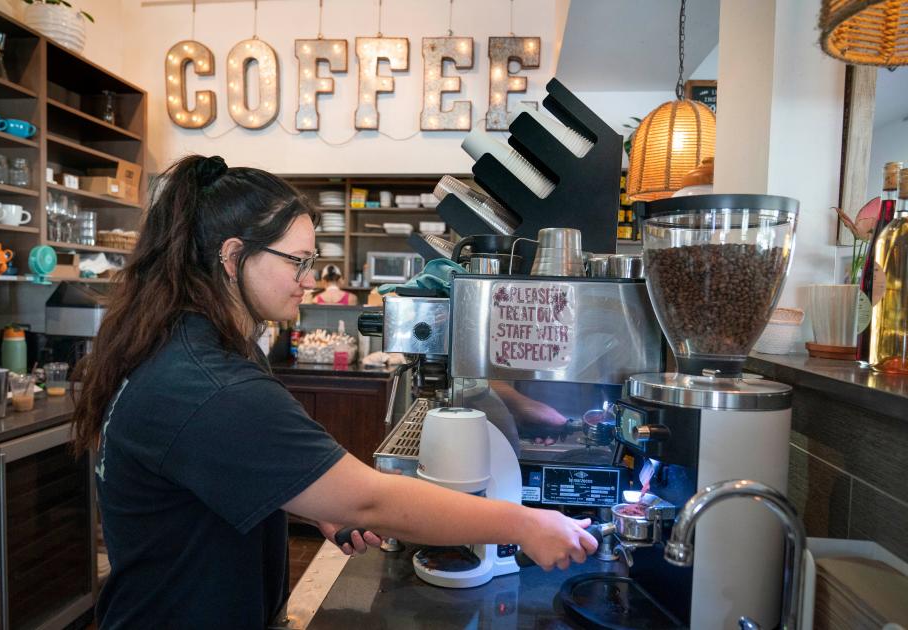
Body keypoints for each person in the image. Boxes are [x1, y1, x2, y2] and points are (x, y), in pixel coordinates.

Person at [72, 155, 598, 630]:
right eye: (297, 261)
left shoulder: (189, 347)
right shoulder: (212, 385)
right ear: (233, 258)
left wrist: (309, 499)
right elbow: (369, 499)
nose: (310, 278)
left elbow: (217, 471)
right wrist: (526, 523)